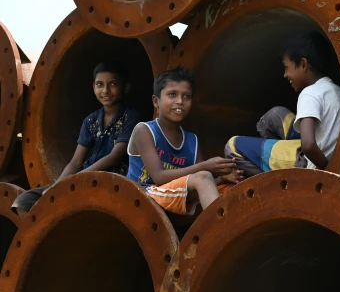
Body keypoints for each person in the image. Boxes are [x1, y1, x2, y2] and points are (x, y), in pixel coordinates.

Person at [11, 61, 141, 218]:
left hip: (113, 179)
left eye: (112, 84)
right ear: (93, 87)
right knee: (25, 201)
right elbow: (76, 162)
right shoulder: (90, 121)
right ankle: (49, 237)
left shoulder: (131, 117)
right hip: (84, 176)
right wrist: (58, 185)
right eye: (100, 84)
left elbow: (115, 157)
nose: (105, 90)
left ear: (125, 87)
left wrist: (75, 180)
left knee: (69, 202)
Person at [224, 32, 340, 176]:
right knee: (274, 115)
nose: (285, 75)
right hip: (324, 148)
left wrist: (330, 171)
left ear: (303, 64)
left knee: (232, 146)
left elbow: (309, 146)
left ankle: (276, 181)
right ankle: (275, 159)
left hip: (310, 163)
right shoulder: (338, 91)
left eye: (287, 67)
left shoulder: (310, 93)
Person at [127, 67, 241, 215]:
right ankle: (222, 232)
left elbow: (197, 183)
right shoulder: (144, 130)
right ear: (156, 101)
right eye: (172, 94)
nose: (180, 101)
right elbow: (159, 177)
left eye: (186, 96)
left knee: (228, 186)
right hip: (143, 195)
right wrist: (207, 166)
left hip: (173, 195)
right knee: (204, 176)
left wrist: (221, 178)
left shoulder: (192, 140)